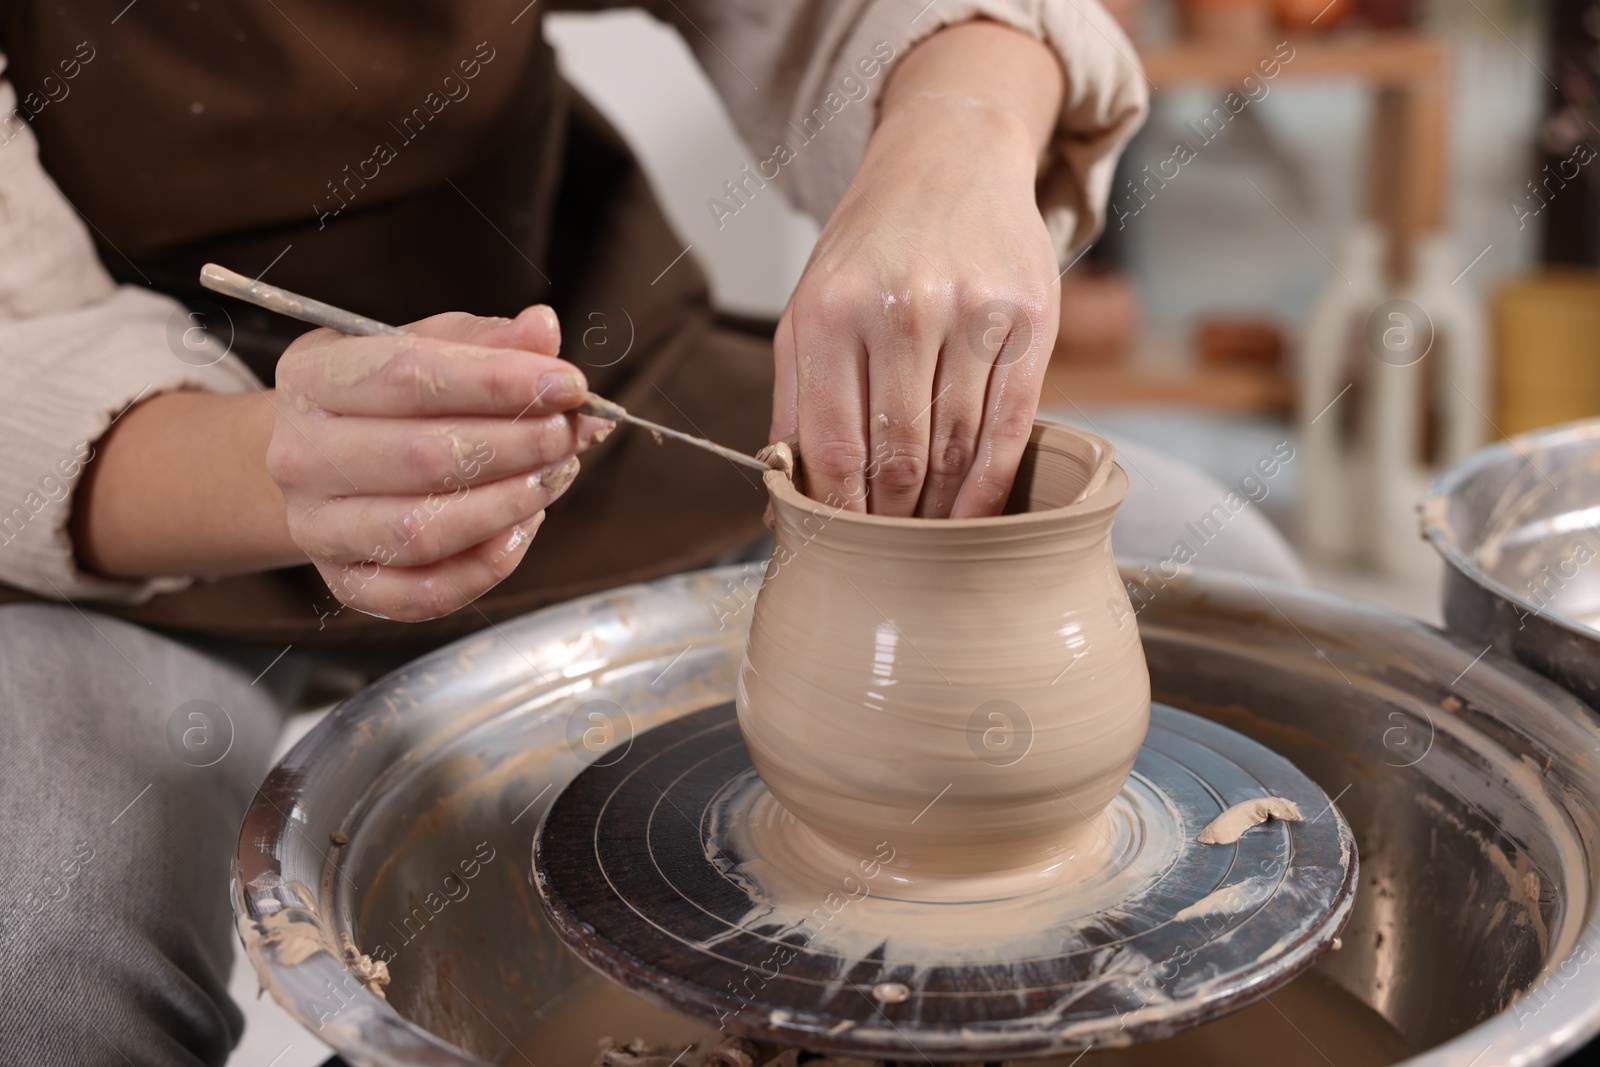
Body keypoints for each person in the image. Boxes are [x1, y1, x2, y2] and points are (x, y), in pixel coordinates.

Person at [0, 1, 1162, 1061]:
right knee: (38, 954)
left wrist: (953, 135)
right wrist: (269, 462)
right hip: (121, 481)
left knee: (1207, 577)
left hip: (568, 396)